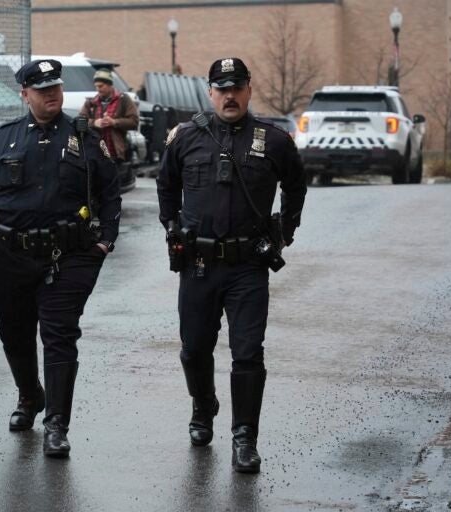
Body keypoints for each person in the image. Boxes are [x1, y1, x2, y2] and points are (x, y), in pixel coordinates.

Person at [0, 59, 121, 458]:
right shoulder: (4, 139)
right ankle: (30, 396)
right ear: (25, 94)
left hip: (69, 257)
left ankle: (56, 426)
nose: (51, 95)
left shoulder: (84, 139)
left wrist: (104, 244)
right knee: (13, 331)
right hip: (10, 254)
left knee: (60, 335)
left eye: (56, 88)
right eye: (42, 90)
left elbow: (110, 193)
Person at [156, 57, 306, 473]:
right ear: (210, 93)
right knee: (194, 349)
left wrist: (285, 232)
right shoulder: (186, 137)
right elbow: (165, 184)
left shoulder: (273, 140)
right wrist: (172, 226)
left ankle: (245, 438)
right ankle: (203, 407)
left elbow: (296, 185)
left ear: (249, 90)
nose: (229, 95)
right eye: (221, 88)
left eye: (236, 87)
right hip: (198, 265)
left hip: (247, 268)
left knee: (248, 353)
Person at [79, 69, 139, 164]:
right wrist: (94, 123)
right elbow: (79, 122)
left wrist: (114, 122)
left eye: (101, 86)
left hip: (117, 153)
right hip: (95, 152)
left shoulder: (124, 99)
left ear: (110, 85)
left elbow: (134, 122)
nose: (98, 89)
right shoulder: (90, 102)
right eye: (96, 86)